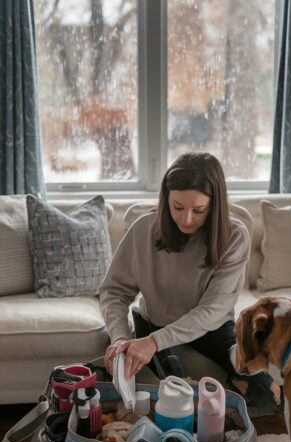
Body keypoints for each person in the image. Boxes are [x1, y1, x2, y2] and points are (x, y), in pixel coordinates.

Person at [99, 152, 280, 407]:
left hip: (213, 327)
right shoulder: (143, 230)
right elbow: (114, 291)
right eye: (178, 207)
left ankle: (233, 386)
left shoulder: (235, 236)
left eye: (199, 210)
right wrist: (119, 339)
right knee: (181, 398)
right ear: (166, 199)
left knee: (269, 394)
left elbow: (212, 310)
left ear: (215, 205)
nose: (186, 219)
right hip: (157, 323)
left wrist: (152, 344)